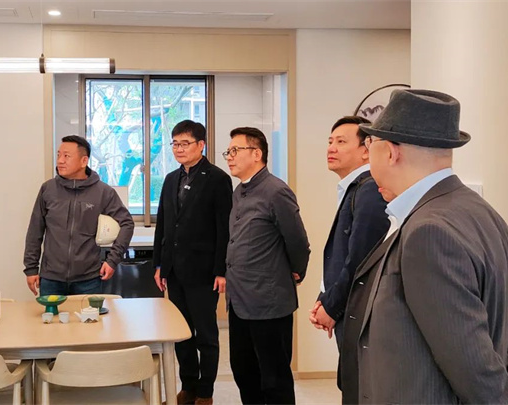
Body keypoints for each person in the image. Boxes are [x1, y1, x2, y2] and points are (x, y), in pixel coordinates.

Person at [340, 89, 508, 404]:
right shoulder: (483, 213)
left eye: (370, 143)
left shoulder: (428, 233)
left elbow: (474, 367)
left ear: (391, 152)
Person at [223, 127, 310, 405]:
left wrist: (295, 272)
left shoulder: (276, 191)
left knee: (274, 379)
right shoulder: (239, 192)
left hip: (268, 302)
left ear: (256, 154)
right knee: (244, 372)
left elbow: (298, 241)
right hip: (239, 299)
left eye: (235, 150)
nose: (229, 156)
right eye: (228, 151)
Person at [153, 120, 233, 405]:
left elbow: (224, 229)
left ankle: (205, 393)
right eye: (175, 143)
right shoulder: (170, 179)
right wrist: (159, 265)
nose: (179, 149)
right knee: (181, 334)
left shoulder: (218, 179)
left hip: (204, 272)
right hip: (174, 271)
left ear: (201, 145)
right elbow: (163, 224)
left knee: (206, 335)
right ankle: (188, 386)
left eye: (184, 143)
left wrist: (221, 270)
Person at [309, 116, 389, 349]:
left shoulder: (370, 189)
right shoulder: (355, 188)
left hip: (358, 310)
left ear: (366, 150)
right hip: (345, 305)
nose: (331, 148)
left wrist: (331, 307)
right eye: (330, 141)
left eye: (341, 142)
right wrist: (324, 299)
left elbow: (360, 259)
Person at [23, 135, 134, 296]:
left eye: (66, 156)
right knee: (51, 314)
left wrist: (112, 261)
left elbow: (127, 223)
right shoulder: (48, 189)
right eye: (59, 155)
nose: (60, 161)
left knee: (89, 314)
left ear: (84, 161)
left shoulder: (103, 192)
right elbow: (35, 230)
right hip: (51, 279)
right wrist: (31, 268)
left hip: (89, 280)